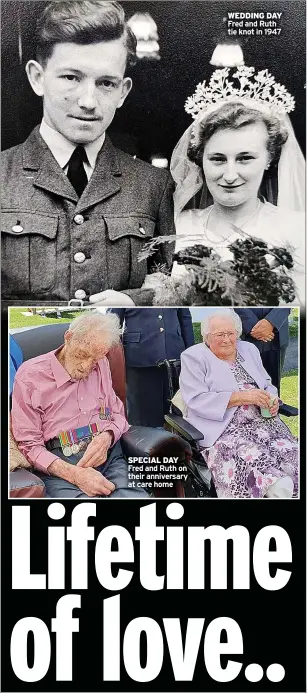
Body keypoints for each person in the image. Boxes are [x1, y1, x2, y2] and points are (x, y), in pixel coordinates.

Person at [2, 1, 174, 305]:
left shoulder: (154, 185)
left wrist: (136, 301)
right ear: (37, 78)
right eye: (71, 77)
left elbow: (169, 288)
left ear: (123, 91)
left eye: (106, 83)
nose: (88, 101)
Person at [171, 66, 305, 305]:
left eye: (245, 158)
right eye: (218, 159)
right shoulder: (178, 225)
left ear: (269, 159)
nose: (230, 175)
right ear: (201, 159)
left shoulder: (298, 229)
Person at [11, 313, 147, 498]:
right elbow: (29, 445)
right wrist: (75, 475)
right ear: (68, 337)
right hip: (60, 463)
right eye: (82, 355)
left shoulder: (102, 364)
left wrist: (107, 436)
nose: (86, 367)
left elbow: (116, 413)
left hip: (107, 453)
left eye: (95, 359)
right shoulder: (30, 376)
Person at [179, 310, 298, 499]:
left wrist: (273, 401)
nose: (227, 339)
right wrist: (243, 397)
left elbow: (267, 383)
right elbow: (196, 399)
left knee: (294, 456)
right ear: (206, 337)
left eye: (231, 333)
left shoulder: (249, 349)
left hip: (266, 424)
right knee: (270, 476)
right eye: (219, 335)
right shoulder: (193, 357)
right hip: (225, 430)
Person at [108, 308, 194, 426]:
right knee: (142, 416)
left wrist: (190, 354)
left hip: (174, 357)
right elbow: (112, 321)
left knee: (177, 413)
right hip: (140, 360)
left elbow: (185, 319)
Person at [234, 308, 290, 394]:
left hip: (277, 332)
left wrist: (272, 321)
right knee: (245, 386)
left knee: (273, 389)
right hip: (246, 334)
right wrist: (251, 324)